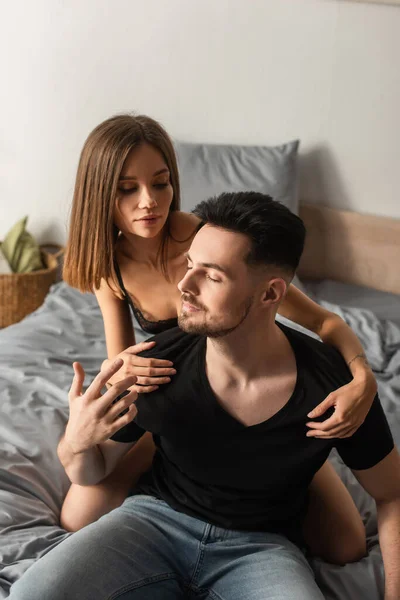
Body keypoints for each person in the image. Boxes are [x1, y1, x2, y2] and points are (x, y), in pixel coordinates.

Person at [10, 192, 400, 600]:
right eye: (190, 265)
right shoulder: (157, 365)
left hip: (262, 547)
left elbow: (390, 493)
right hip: (152, 523)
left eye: (211, 277)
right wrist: (77, 439)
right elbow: (91, 473)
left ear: (271, 295)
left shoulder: (334, 385)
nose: (184, 286)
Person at [61, 114, 376, 561]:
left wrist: (362, 375)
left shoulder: (208, 239)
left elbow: (324, 323)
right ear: (99, 193)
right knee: (77, 516)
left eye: (161, 183)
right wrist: (103, 402)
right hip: (177, 399)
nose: (149, 202)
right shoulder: (109, 267)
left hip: (252, 391)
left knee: (347, 547)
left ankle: (293, 464)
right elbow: (125, 365)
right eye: (127, 188)